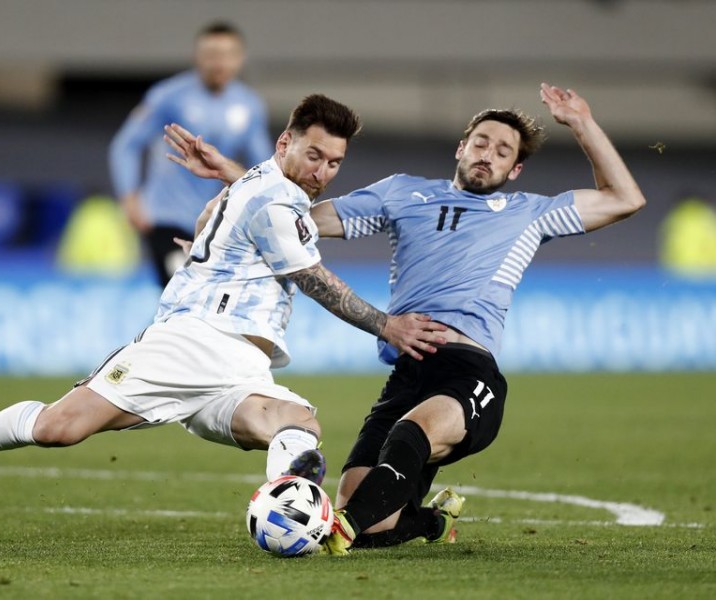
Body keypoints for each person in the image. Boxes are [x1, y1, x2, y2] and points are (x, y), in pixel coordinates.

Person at [0, 94, 449, 496]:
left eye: (334, 163)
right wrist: (386, 325)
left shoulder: (261, 184)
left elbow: (218, 214)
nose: (324, 171)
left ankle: (288, 506)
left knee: (297, 423)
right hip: (191, 344)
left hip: (241, 366)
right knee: (59, 429)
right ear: (285, 142)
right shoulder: (274, 200)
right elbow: (314, 280)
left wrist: (218, 231)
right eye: (314, 155)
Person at [164, 83, 646, 554]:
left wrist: (582, 123)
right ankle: (430, 520)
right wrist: (234, 174)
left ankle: (335, 533)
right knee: (373, 512)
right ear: (461, 147)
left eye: (503, 151)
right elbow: (299, 217)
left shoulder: (530, 213)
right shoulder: (403, 194)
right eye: (481, 142)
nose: (488, 154)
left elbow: (626, 198)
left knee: (405, 440)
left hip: (467, 372)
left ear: (515, 168)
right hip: (407, 371)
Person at [109, 21, 272, 288]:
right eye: (211, 55)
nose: (219, 63)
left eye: (227, 55)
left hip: (216, 222)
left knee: (199, 303)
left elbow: (263, 165)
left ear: (240, 59)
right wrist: (129, 196)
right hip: (166, 217)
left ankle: (160, 331)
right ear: (197, 57)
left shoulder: (249, 105)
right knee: (183, 288)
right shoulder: (169, 96)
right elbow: (125, 145)